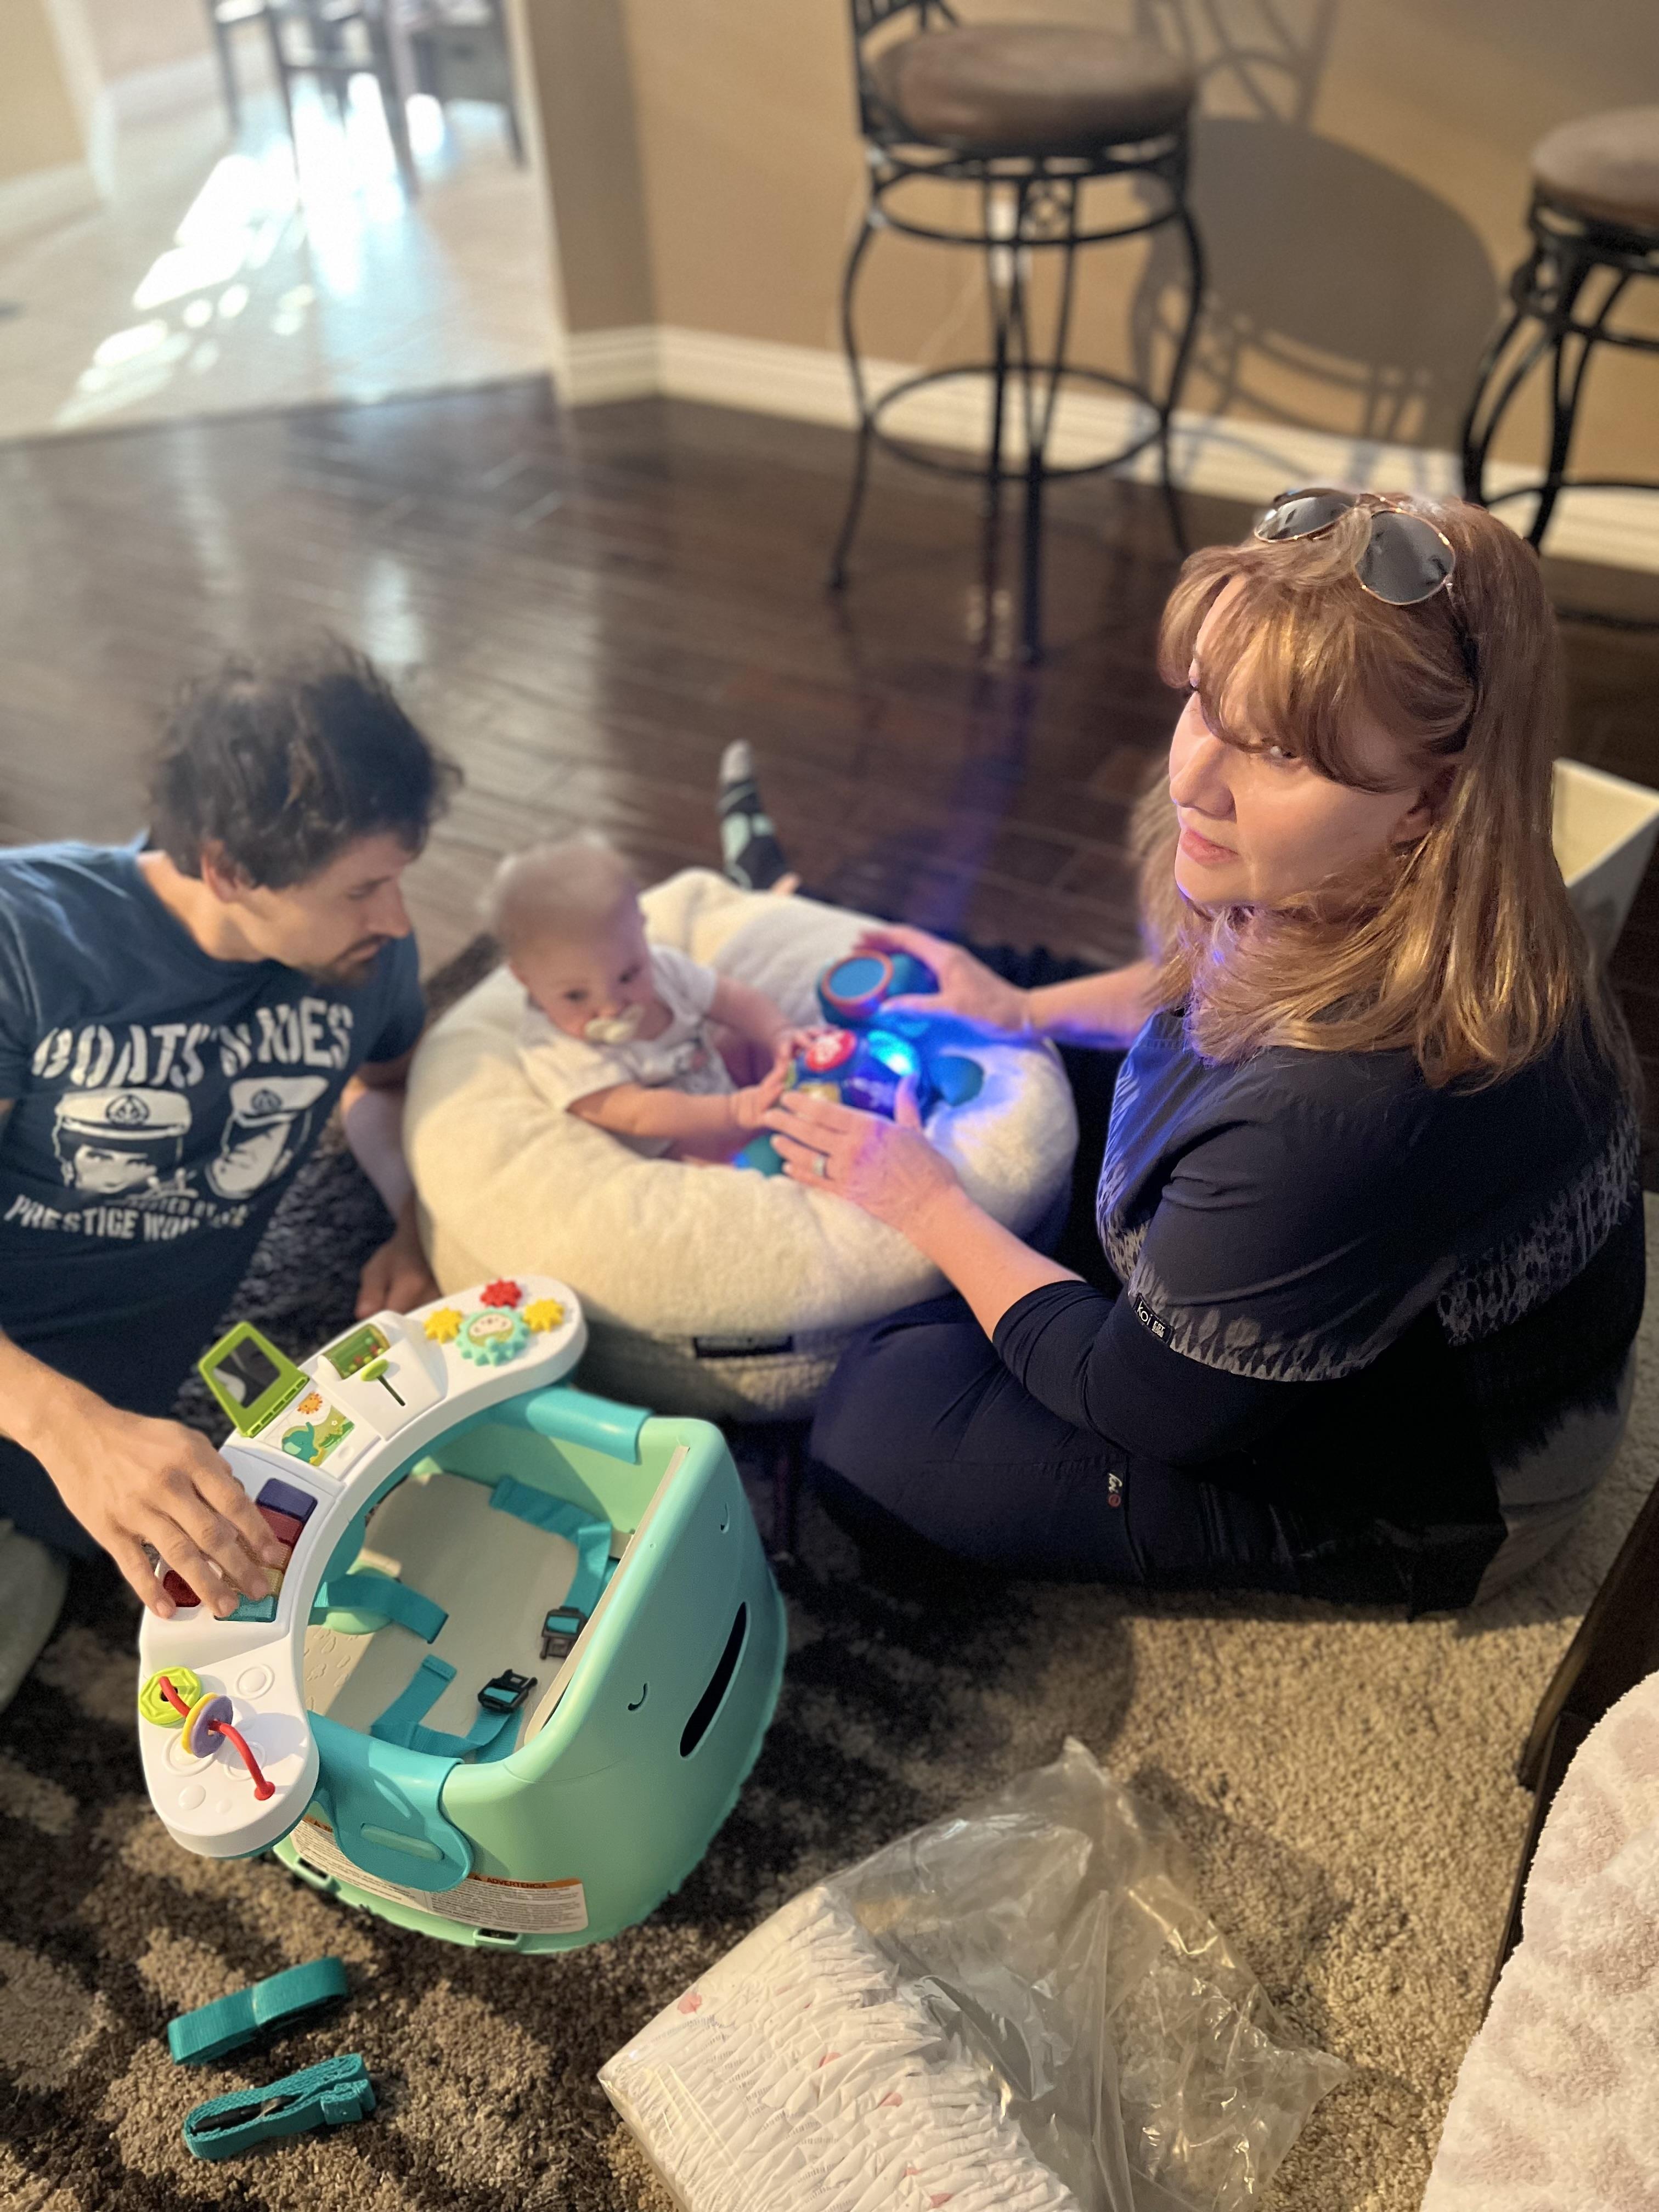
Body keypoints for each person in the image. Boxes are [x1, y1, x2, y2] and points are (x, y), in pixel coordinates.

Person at [758, 491, 1646, 1609]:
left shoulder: (1346, 1110)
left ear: (1432, 799)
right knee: (994, 1019)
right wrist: (1022, 1010)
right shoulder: (1399, 879)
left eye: (1276, 751)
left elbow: (1136, 1401)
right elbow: (1200, 990)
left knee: (881, 1417)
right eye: (1202, 702)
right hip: (1344, 1249)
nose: (1192, 778)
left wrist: (927, 1205)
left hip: (1445, 1482)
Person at [0, 641, 460, 1699]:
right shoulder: (30, 943)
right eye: (364, 889)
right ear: (230, 870)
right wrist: (72, 1428)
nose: (395, 922)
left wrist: (411, 1216)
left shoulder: (359, 967)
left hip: (59, 1480)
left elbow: (385, 1086)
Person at [485, 836, 800, 1161]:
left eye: (627, 976)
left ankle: (804, 1078)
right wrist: (733, 1111)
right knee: (708, 1153)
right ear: (524, 979)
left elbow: (732, 998)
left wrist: (778, 1033)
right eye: (576, 995)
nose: (611, 1008)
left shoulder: (663, 967)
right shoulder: (554, 1050)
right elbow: (639, 1113)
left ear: (641, 929)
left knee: (744, 1037)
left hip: (721, 1087)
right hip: (673, 1140)